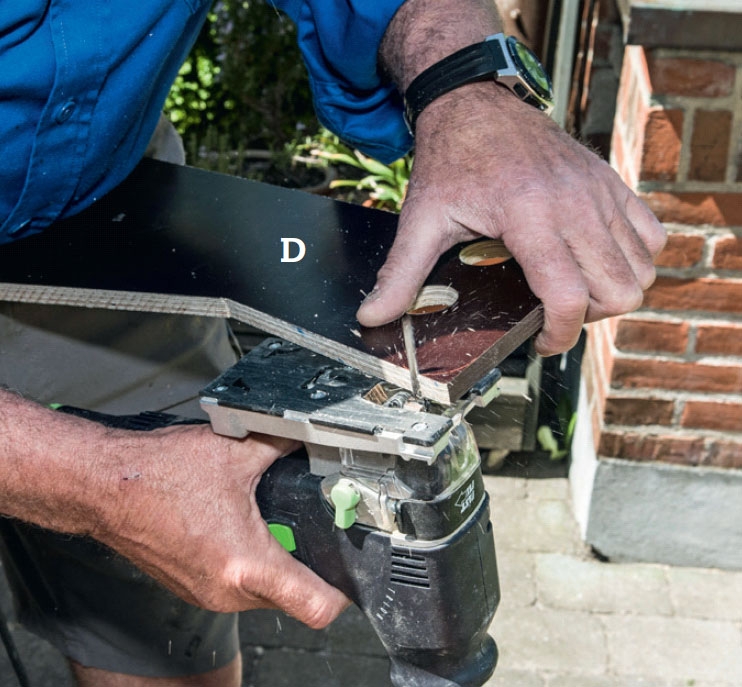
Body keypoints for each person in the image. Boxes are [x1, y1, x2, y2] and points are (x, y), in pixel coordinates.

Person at [0, 0, 666, 685]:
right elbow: (104, 481)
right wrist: (104, 482)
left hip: (99, 199)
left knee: (171, 628)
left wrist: (463, 84)